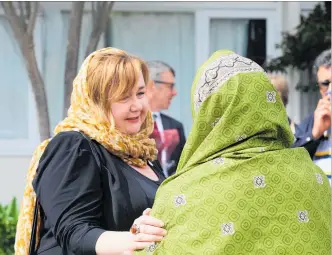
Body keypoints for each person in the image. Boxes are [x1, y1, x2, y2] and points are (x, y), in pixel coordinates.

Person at [136, 50, 331, 254]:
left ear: (207, 112)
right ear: (269, 103)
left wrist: (136, 234)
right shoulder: (315, 180)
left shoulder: (181, 193)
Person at [14, 48, 168, 255]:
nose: (137, 106)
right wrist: (132, 238)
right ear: (96, 102)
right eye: (123, 97)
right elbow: (74, 233)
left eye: (140, 93)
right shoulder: (74, 146)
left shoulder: (142, 153)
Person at [293, 49, 331, 184]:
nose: (330, 90)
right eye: (325, 84)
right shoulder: (314, 120)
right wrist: (313, 135)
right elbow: (290, 164)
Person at [146, 61, 186, 177]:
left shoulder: (176, 126)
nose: (175, 92)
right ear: (151, 85)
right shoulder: (131, 125)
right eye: (170, 86)